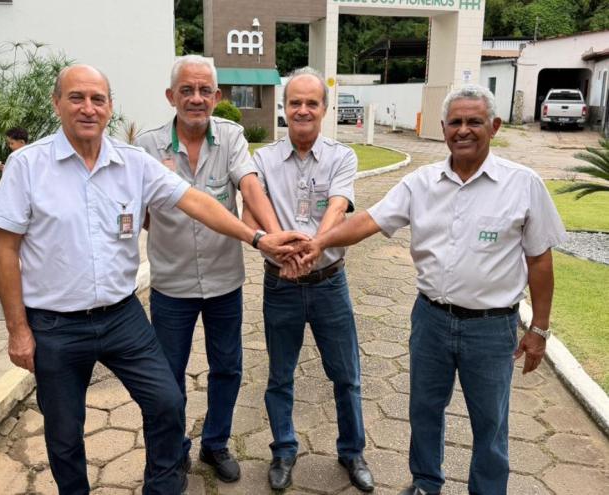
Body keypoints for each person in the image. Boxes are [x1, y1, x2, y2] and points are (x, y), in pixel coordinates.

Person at [0, 64, 305, 495]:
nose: (88, 108)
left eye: (98, 99)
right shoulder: (27, 165)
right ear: (57, 103)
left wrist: (258, 238)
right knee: (63, 430)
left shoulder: (132, 162)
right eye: (77, 98)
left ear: (109, 107)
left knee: (166, 402)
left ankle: (162, 487)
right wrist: (18, 330)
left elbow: (196, 201)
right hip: (56, 324)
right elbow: (4, 249)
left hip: (122, 316)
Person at [300, 85, 566, 495]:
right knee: (424, 409)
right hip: (431, 321)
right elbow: (369, 220)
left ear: (494, 126)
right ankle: (425, 482)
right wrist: (318, 243)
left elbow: (540, 262)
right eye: (455, 122)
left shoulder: (523, 184)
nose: (464, 130)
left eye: (474, 121)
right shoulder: (421, 183)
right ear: (443, 129)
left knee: (490, 422)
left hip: (491, 327)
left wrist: (539, 330)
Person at [135, 55, 282, 483]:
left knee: (227, 367)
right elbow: (141, 212)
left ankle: (215, 443)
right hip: (171, 285)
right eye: (187, 90)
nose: (196, 99)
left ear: (217, 96)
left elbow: (250, 186)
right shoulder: (148, 146)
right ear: (171, 96)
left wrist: (274, 237)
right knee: (168, 376)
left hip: (224, 282)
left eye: (204, 91)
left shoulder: (231, 136)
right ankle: (173, 450)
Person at [245, 67, 374, 492]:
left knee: (346, 374)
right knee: (280, 376)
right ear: (284, 108)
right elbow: (250, 214)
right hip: (279, 284)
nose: (303, 110)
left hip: (329, 284)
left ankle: (352, 451)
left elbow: (338, 206)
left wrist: (314, 248)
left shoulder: (342, 157)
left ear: (324, 108)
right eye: (295, 102)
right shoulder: (262, 161)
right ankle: (283, 450)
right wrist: (280, 250)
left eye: (311, 103)